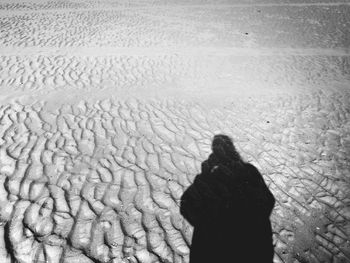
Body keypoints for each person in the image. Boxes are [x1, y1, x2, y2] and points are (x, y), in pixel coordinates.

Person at [180, 134, 275, 263]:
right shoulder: (247, 171)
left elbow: (187, 207)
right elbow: (268, 201)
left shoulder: (210, 176)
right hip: (250, 250)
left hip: (215, 251)